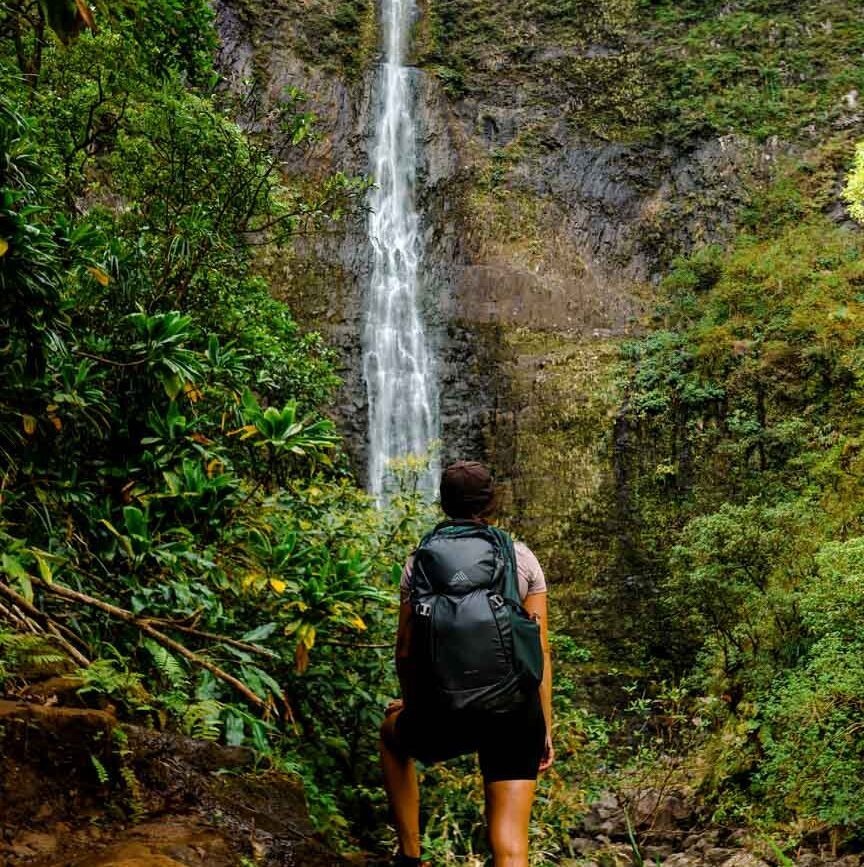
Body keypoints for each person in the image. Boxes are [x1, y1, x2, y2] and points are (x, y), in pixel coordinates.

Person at [380, 460, 553, 867]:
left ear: (442, 504)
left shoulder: (418, 562)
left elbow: (404, 650)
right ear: (490, 504)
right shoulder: (520, 558)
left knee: (391, 737)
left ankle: (409, 855)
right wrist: (544, 724)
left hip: (443, 710)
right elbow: (539, 652)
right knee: (510, 844)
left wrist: (413, 703)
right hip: (513, 712)